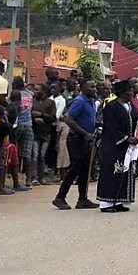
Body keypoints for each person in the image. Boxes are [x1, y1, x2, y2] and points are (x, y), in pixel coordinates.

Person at [54, 79, 99, 210]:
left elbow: (88, 120)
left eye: (95, 86)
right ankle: (60, 197)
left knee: (85, 170)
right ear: (83, 88)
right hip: (76, 139)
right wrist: (84, 133)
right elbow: (69, 119)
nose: (95, 89)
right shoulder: (79, 101)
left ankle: (82, 199)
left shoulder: (90, 102)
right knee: (75, 169)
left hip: (87, 140)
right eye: (92, 87)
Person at [96, 79, 138, 213]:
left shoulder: (130, 106)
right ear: (122, 92)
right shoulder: (111, 106)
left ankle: (119, 200)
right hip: (114, 145)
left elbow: (135, 120)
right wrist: (126, 138)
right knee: (112, 172)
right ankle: (106, 203)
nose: (132, 93)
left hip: (127, 147)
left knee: (124, 172)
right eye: (129, 90)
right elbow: (111, 127)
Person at [31, 84, 57, 185]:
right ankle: (35, 177)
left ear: (43, 92)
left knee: (42, 155)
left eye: (37, 90)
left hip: (46, 133)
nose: (35, 91)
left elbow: (53, 117)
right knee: (35, 155)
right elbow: (29, 114)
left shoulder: (51, 103)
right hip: (35, 131)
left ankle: (41, 177)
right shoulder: (33, 102)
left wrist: (42, 115)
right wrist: (34, 119)